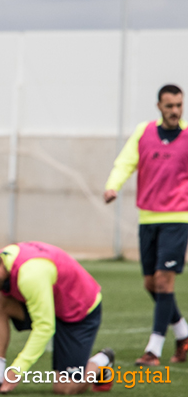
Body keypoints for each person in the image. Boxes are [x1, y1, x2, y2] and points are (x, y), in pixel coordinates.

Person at [103, 84, 188, 366]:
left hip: (178, 218)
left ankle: (154, 349)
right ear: (159, 106)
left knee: (164, 280)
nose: (175, 111)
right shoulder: (144, 132)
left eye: (179, 105)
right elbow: (126, 162)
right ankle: (184, 334)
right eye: (169, 106)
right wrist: (113, 186)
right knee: (151, 284)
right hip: (147, 218)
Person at [0, 242, 115, 394]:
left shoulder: (30, 274)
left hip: (79, 311)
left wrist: (17, 369)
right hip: (50, 302)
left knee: (66, 388)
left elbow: (45, 327)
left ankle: (103, 360)